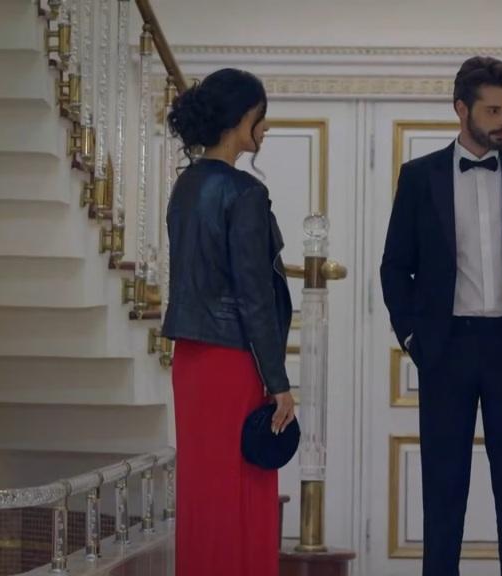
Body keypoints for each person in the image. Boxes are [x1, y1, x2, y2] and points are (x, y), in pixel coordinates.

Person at [380, 55, 502, 576]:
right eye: (493, 110)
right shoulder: (418, 177)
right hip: (445, 348)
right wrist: (412, 337)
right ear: (461, 109)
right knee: (443, 489)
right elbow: (395, 266)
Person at [162, 68, 295, 576]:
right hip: (234, 361)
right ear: (242, 119)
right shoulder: (245, 192)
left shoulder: (185, 186)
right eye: (261, 115)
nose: (265, 126)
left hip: (191, 361)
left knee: (204, 493)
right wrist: (278, 382)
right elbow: (254, 296)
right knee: (244, 490)